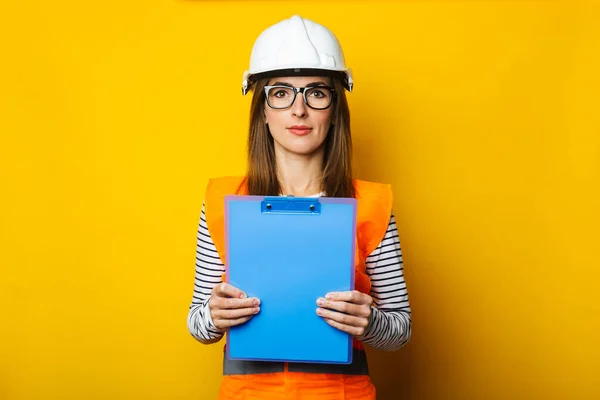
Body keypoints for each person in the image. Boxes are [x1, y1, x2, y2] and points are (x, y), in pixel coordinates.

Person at [187, 15, 412, 400]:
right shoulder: (223, 201)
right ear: (262, 109)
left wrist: (370, 321)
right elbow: (198, 324)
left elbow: (400, 330)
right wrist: (213, 315)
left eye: (316, 93)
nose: (299, 110)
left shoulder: (371, 205)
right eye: (281, 93)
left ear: (335, 107)